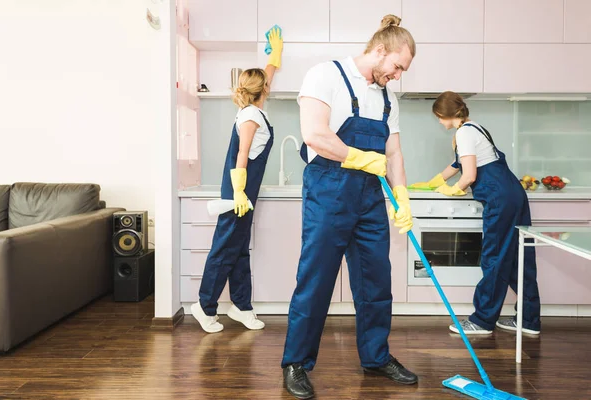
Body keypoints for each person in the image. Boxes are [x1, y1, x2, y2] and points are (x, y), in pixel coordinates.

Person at [281, 15, 418, 400]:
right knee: (317, 279)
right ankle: (296, 362)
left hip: (371, 198)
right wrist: (359, 158)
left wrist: (402, 194)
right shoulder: (326, 75)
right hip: (330, 190)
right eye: (396, 66)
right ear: (379, 50)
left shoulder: (388, 97)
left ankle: (376, 357)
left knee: (376, 281)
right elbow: (315, 134)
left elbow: (393, 151)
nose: (397, 75)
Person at [411, 91, 541, 336]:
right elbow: (459, 164)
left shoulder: (464, 133)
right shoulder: (475, 128)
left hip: (499, 198)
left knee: (494, 258)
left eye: (438, 117)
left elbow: (469, 175)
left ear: (445, 114)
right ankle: (529, 319)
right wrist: (433, 181)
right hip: (512, 194)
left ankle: (482, 320)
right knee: (517, 259)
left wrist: (453, 190)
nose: (438, 122)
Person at [190, 27, 283, 334]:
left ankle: (241, 306)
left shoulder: (254, 109)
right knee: (225, 249)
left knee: (240, 248)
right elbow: (242, 155)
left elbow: (265, 77)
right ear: (263, 90)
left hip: (244, 191)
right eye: (267, 83)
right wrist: (240, 191)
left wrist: (276, 54)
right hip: (238, 192)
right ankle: (204, 306)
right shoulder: (250, 117)